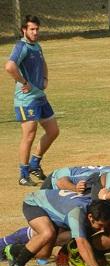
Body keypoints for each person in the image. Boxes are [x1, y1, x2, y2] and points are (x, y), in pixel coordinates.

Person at [5, 15, 60, 186]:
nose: (35, 32)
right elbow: (9, 66)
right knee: (29, 136)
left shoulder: (36, 46)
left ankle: (35, 164)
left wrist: (45, 78)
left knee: (53, 131)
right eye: (32, 29)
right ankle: (23, 174)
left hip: (40, 97)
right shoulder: (22, 46)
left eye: (37, 29)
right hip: (26, 100)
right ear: (24, 30)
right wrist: (24, 82)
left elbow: (43, 63)